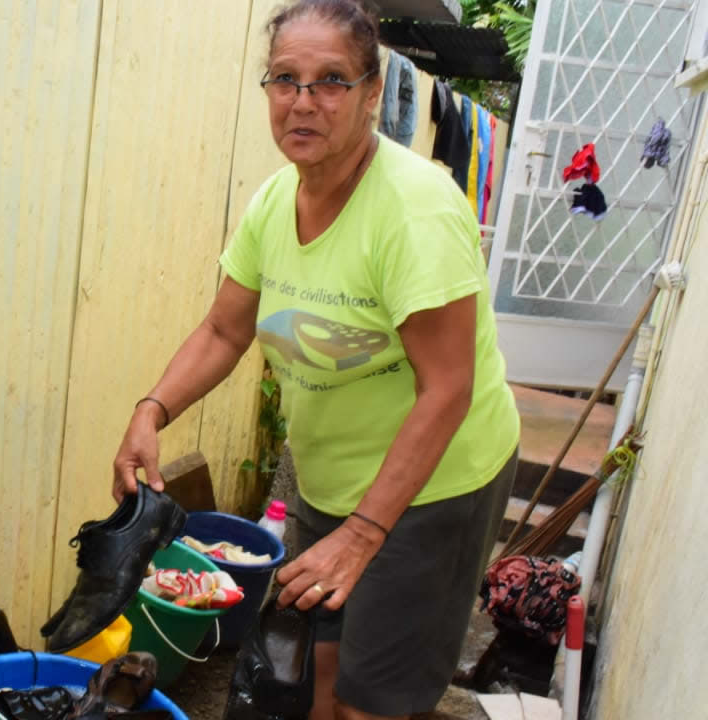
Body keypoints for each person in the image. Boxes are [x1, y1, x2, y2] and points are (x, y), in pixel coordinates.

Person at [110, 1, 521, 719]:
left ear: (371, 92)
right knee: (320, 666)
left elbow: (448, 388)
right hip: (330, 475)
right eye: (284, 79)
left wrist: (364, 535)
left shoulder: (414, 212)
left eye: (331, 80)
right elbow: (222, 331)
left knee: (376, 700)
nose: (303, 102)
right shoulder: (275, 201)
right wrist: (153, 410)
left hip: (433, 486)